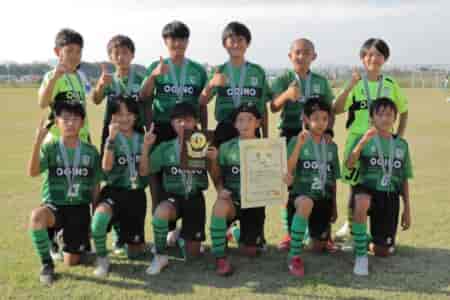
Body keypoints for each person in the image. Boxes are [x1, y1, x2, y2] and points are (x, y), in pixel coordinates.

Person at [332, 38, 409, 239]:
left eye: (378, 54)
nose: (373, 58)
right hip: (359, 139)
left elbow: (404, 110)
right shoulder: (357, 83)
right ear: (362, 58)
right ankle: (351, 224)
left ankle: (378, 225)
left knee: (378, 182)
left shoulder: (390, 84)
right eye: (369, 54)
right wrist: (349, 86)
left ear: (385, 59)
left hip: (383, 142)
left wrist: (398, 136)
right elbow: (336, 109)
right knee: (355, 184)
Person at [140, 22, 207, 243]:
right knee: (157, 183)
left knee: (190, 180)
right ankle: (163, 231)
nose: (177, 43)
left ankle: (187, 228)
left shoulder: (197, 70)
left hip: (189, 130)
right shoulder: (156, 66)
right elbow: (144, 96)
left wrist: (203, 131)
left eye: (181, 39)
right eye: (172, 39)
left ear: (187, 42)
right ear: (165, 42)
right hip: (162, 127)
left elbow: (202, 104)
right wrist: (154, 76)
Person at [270, 38, 335, 250]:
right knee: (289, 183)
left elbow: (329, 110)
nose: (301, 56)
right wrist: (287, 95)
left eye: (306, 52)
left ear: (313, 56)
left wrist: (329, 131)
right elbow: (272, 107)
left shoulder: (321, 81)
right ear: (290, 56)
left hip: (317, 136)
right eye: (297, 52)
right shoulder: (283, 79)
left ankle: (323, 232)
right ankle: (290, 233)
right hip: (290, 133)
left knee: (319, 177)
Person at [27, 101, 101, 285]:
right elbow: (33, 172)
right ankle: (46, 264)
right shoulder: (50, 148)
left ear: (82, 123)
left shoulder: (91, 152)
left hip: (79, 208)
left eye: (75, 119)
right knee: (37, 217)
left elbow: (95, 186)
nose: (70, 123)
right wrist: (37, 141)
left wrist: (94, 216)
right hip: (55, 206)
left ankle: (68, 241)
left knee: (73, 262)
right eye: (65, 119)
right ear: (57, 122)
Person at [140, 102, 209, 275]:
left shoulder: (203, 144)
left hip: (194, 197)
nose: (183, 124)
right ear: (172, 123)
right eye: (179, 121)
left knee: (192, 256)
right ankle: (160, 256)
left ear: (195, 122)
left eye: (188, 120)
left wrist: (212, 160)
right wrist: (146, 146)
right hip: (173, 198)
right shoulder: (165, 148)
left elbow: (215, 174)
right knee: (161, 211)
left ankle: (180, 234)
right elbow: (144, 171)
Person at [345, 98, 412, 276]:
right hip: (368, 189)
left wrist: (407, 209)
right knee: (361, 200)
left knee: (383, 252)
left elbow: (404, 178)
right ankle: (360, 256)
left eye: (389, 114)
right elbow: (350, 164)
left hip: (389, 195)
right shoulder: (364, 139)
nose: (384, 118)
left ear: (394, 118)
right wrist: (361, 144)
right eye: (380, 114)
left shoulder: (401, 145)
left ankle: (367, 240)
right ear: (372, 117)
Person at [91, 97, 148, 277]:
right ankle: (102, 258)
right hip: (114, 191)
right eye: (119, 114)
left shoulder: (142, 138)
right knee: (99, 220)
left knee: (135, 254)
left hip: (136, 194)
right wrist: (111, 139)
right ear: (112, 117)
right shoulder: (111, 138)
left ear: (136, 117)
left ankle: (123, 236)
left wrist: (146, 147)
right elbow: (106, 167)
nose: (124, 118)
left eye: (129, 114)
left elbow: (145, 172)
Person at [208, 103, 267, 276]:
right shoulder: (226, 147)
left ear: (258, 123)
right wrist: (219, 189)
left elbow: (273, 178)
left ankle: (235, 232)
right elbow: (217, 176)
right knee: (220, 206)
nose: (245, 124)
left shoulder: (268, 148)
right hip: (232, 200)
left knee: (250, 252)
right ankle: (220, 257)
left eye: (250, 119)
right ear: (235, 124)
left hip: (254, 202)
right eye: (240, 120)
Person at [284, 96, 340, 277]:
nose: (321, 123)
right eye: (315, 119)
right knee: (306, 203)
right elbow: (288, 171)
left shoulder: (331, 147)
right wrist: (299, 146)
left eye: (325, 119)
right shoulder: (297, 140)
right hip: (301, 198)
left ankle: (308, 234)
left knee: (318, 248)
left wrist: (334, 205)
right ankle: (294, 257)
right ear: (306, 119)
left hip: (323, 198)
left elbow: (333, 180)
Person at [199, 21, 272, 147]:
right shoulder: (218, 71)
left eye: (240, 40)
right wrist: (210, 85)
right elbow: (202, 102)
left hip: (251, 129)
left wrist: (265, 137)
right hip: (225, 128)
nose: (236, 44)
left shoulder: (257, 71)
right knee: (223, 165)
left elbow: (263, 108)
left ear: (247, 43)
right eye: (231, 40)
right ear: (224, 44)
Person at [38, 28, 91, 143]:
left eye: (78, 51)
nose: (74, 55)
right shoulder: (52, 76)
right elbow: (43, 103)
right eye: (69, 51)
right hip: (58, 140)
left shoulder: (81, 76)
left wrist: (87, 135)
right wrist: (54, 79)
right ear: (57, 52)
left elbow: (83, 108)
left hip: (81, 139)